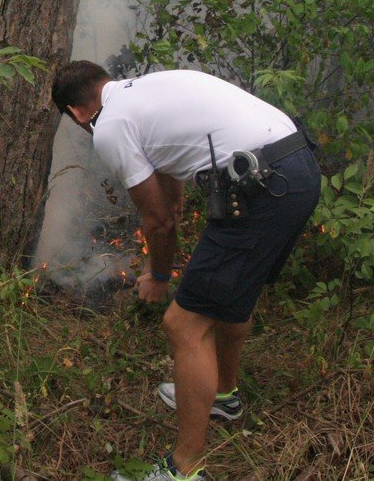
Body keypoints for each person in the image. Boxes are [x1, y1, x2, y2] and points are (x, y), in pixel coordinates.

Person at [51, 61, 321, 481]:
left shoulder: (109, 124)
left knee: (183, 325)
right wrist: (167, 226)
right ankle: (223, 396)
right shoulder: (153, 87)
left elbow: (158, 221)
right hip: (298, 168)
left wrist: (158, 277)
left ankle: (184, 468)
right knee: (235, 294)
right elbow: (168, 175)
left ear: (76, 112)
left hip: (261, 187)